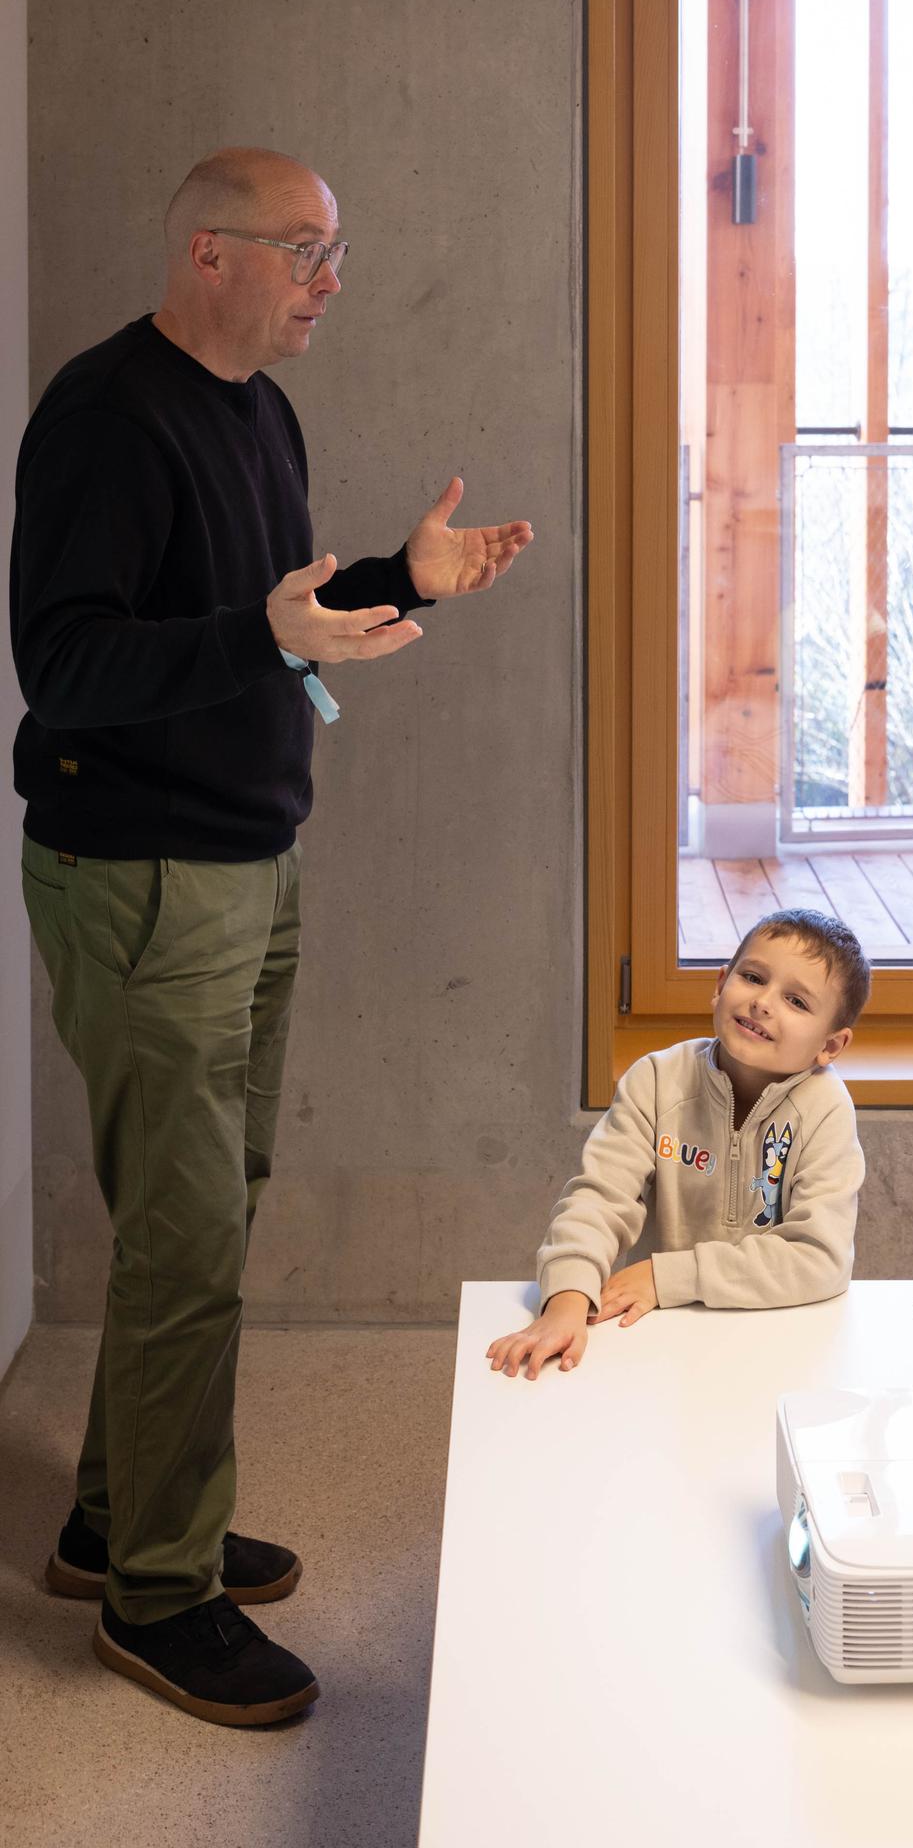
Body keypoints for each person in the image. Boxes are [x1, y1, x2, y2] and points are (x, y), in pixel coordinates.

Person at [11, 146, 533, 1726]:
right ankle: (158, 1600)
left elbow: (262, 623)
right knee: (183, 1239)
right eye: (304, 249)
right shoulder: (108, 417)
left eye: (336, 249)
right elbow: (69, 667)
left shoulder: (260, 411)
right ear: (208, 252)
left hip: (249, 859)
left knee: (209, 1211)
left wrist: (393, 581)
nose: (330, 278)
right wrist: (263, 633)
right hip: (146, 875)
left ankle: (116, 1522)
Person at [486, 909, 871, 1381]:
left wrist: (665, 1276)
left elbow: (819, 1259)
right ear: (721, 983)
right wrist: (565, 1301)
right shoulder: (656, 1079)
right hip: (659, 1333)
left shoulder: (826, 1110)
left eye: (796, 1001)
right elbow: (599, 1199)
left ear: (830, 1046)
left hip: (778, 1337)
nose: (763, 1003)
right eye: (753, 977)